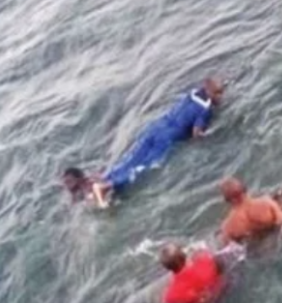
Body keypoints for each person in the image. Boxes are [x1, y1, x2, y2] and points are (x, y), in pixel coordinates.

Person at [63, 78, 225, 208]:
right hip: (167, 137)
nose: (220, 96)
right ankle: (105, 187)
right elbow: (197, 134)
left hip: (155, 128)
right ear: (209, 91)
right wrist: (208, 136)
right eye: (218, 93)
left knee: (130, 160)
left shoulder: (193, 93)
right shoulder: (205, 109)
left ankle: (101, 180)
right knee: (143, 167)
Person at [219, 177, 282, 245]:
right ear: (244, 189)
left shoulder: (227, 227)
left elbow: (227, 246)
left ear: (227, 199)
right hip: (276, 236)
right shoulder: (266, 202)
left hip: (254, 247)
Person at [159, 243, 225, 303]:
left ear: (167, 268)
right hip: (223, 293)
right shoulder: (206, 260)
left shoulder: (170, 297)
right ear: (184, 255)